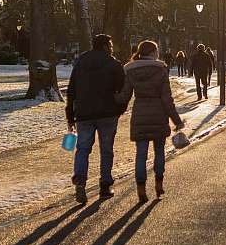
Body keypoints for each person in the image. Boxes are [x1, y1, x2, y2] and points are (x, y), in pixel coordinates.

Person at [115, 40, 184, 203]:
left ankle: (141, 189)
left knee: (141, 154)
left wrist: (110, 99)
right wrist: (177, 120)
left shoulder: (130, 70)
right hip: (159, 114)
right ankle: (159, 185)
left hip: (140, 113)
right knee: (159, 152)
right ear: (153, 52)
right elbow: (167, 99)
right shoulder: (161, 69)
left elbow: (124, 96)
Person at [66, 34, 126, 204]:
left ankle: (80, 179)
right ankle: (105, 185)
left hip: (84, 113)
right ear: (106, 46)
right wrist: (119, 108)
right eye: (111, 44)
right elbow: (122, 88)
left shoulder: (80, 63)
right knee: (106, 149)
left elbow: (71, 90)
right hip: (107, 113)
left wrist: (70, 114)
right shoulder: (113, 64)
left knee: (83, 148)